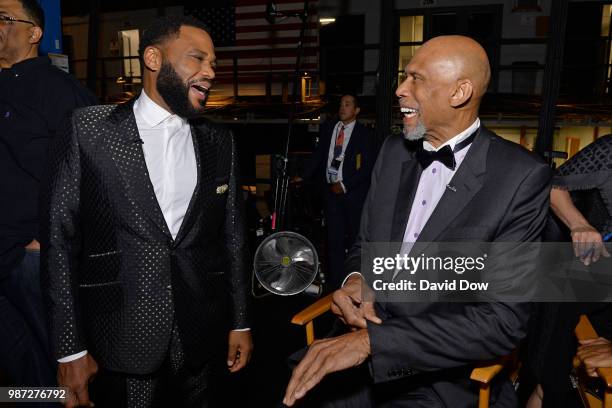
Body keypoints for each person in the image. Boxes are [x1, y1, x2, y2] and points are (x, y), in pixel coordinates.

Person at [283, 35, 552, 407]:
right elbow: (364, 246)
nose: (399, 90)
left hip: (440, 377)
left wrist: (372, 343)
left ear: (460, 92)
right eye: (403, 77)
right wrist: (355, 280)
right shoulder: (394, 152)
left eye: (416, 79)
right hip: (355, 351)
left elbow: (501, 322)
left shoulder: (520, 176)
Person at [41, 16, 252, 407]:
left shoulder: (220, 142)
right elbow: (58, 243)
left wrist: (240, 321)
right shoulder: (88, 130)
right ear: (153, 59)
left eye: (214, 64)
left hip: (201, 337)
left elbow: (234, 239)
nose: (210, 72)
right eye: (197, 59)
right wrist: (70, 349)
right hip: (120, 338)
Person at [0, 0, 97, 389]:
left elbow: (93, 172)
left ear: (34, 34)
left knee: (67, 369)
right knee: (22, 372)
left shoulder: (61, 92)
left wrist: (47, 240)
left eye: (4, 17)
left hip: (32, 259)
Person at [523, 134, 611, 408]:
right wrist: (579, 224)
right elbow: (552, 184)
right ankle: (547, 385)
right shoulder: (609, 149)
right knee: (551, 370)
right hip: (599, 268)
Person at [294, 94, 376, 289]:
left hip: (353, 195)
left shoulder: (364, 134)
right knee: (334, 240)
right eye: (341, 104)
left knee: (356, 239)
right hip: (330, 193)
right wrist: (304, 176)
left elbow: (367, 167)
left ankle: (357, 283)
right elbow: (319, 155)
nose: (342, 107)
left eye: (347, 105)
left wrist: (345, 184)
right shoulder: (330, 128)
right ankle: (335, 285)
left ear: (356, 111)